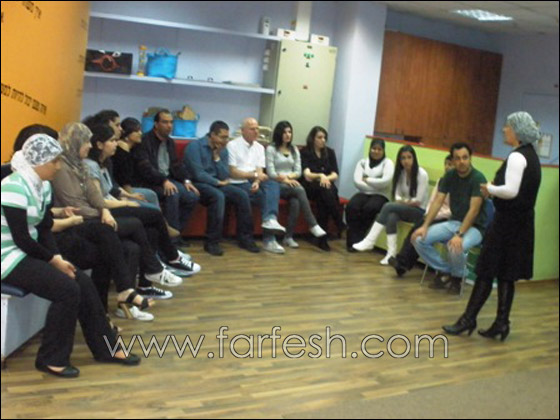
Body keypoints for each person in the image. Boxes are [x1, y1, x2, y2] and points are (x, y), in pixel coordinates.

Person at [1, 134, 140, 378]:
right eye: (55, 161)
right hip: (7, 255)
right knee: (67, 289)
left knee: (81, 281)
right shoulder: (13, 187)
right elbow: (21, 238)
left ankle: (106, 348)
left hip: (27, 251)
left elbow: (44, 228)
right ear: (39, 162)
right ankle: (51, 359)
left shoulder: (42, 186)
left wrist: (58, 257)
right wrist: (53, 260)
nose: (59, 166)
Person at [52, 122, 185, 318]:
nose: (89, 146)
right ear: (75, 143)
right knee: (136, 224)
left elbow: (94, 194)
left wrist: (104, 210)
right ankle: (152, 270)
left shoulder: (80, 164)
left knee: (136, 244)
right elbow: (75, 205)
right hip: (77, 223)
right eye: (86, 142)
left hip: (92, 217)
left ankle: (129, 296)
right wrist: (102, 212)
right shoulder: (62, 168)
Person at [443, 112, 542, 340]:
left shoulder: (517, 156)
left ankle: (468, 320)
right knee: (507, 275)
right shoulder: (532, 156)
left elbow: (511, 191)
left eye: (508, 126)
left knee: (486, 272)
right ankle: (501, 323)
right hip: (521, 224)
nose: (504, 130)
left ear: (517, 131)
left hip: (506, 224)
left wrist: (490, 189)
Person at [84, 123, 200, 276]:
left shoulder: (105, 162)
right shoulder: (91, 166)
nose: (116, 143)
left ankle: (152, 273)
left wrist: (128, 197)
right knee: (154, 214)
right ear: (99, 144)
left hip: (113, 202)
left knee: (152, 229)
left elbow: (112, 188)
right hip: (106, 209)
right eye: (112, 141)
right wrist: (126, 202)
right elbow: (99, 200)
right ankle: (172, 257)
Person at [411, 142, 488, 295]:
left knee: (455, 246)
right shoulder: (450, 176)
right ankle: (449, 271)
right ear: (452, 160)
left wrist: (459, 234)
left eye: (465, 157)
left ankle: (456, 279)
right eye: (457, 158)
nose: (462, 161)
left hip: (475, 227)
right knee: (418, 239)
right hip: (454, 222)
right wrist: (425, 226)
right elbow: (438, 201)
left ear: (470, 158)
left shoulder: (478, 178)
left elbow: (473, 211)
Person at [184, 120, 260, 255]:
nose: (226, 141)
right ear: (212, 135)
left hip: (218, 183)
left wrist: (217, 158)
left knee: (242, 195)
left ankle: (245, 238)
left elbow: (225, 174)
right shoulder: (195, 146)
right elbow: (198, 173)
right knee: (218, 196)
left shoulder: (223, 150)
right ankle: (212, 242)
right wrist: (217, 182)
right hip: (198, 184)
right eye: (223, 137)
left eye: (227, 137)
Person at [353, 145, 430, 265]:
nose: (406, 161)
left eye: (409, 157)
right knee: (391, 216)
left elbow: (418, 201)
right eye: (403, 158)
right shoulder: (401, 173)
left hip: (419, 211)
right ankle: (391, 254)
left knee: (388, 206)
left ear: (414, 158)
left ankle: (370, 240)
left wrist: (402, 201)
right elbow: (397, 195)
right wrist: (404, 201)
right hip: (406, 208)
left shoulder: (422, 174)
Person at [132, 109, 200, 237]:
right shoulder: (144, 141)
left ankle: (177, 233)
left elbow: (176, 165)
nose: (169, 126)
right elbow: (145, 168)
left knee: (192, 196)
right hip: (149, 181)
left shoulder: (170, 142)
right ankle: (169, 239)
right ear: (156, 124)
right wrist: (163, 180)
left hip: (168, 179)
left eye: (171, 122)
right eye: (165, 122)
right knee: (172, 194)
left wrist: (186, 180)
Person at [227, 117, 286, 254]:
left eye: (257, 128)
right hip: (237, 182)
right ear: (243, 131)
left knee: (273, 184)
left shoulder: (260, 147)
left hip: (253, 180)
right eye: (252, 129)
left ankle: (270, 219)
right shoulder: (232, 145)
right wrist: (254, 176)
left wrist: (257, 181)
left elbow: (260, 170)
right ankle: (263, 239)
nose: (256, 132)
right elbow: (233, 172)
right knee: (260, 196)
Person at [266, 121, 328, 250]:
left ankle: (288, 237)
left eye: (289, 132)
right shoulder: (271, 149)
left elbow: (298, 171)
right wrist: (284, 179)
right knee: (299, 190)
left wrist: (289, 178)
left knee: (296, 201)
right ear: (279, 134)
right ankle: (312, 224)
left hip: (291, 183)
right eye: (284, 132)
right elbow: (271, 173)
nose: (288, 135)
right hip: (276, 184)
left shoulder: (294, 149)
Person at [389, 155, 454, 277]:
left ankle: (403, 264)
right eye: (446, 164)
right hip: (432, 215)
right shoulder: (441, 181)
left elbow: (453, 210)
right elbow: (432, 201)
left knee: (420, 234)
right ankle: (401, 263)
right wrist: (428, 213)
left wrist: (437, 215)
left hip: (445, 218)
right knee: (415, 230)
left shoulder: (459, 186)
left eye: (450, 164)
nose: (447, 167)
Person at [346, 138, 394, 251]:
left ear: (383, 151)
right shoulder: (362, 163)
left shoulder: (388, 163)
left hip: (382, 195)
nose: (376, 151)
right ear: (370, 149)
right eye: (374, 148)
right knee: (352, 206)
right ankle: (351, 239)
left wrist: (367, 179)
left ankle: (360, 239)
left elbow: (385, 182)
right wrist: (376, 184)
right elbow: (357, 182)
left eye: (379, 149)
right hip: (364, 193)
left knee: (369, 208)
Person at [300, 126, 345, 237]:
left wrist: (326, 178)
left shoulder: (330, 152)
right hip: (310, 185)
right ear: (313, 139)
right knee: (326, 191)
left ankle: (322, 237)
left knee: (324, 197)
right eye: (320, 137)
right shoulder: (305, 152)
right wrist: (321, 176)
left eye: (324, 138)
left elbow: (335, 174)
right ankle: (338, 221)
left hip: (326, 185)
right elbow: (307, 175)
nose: (323, 140)